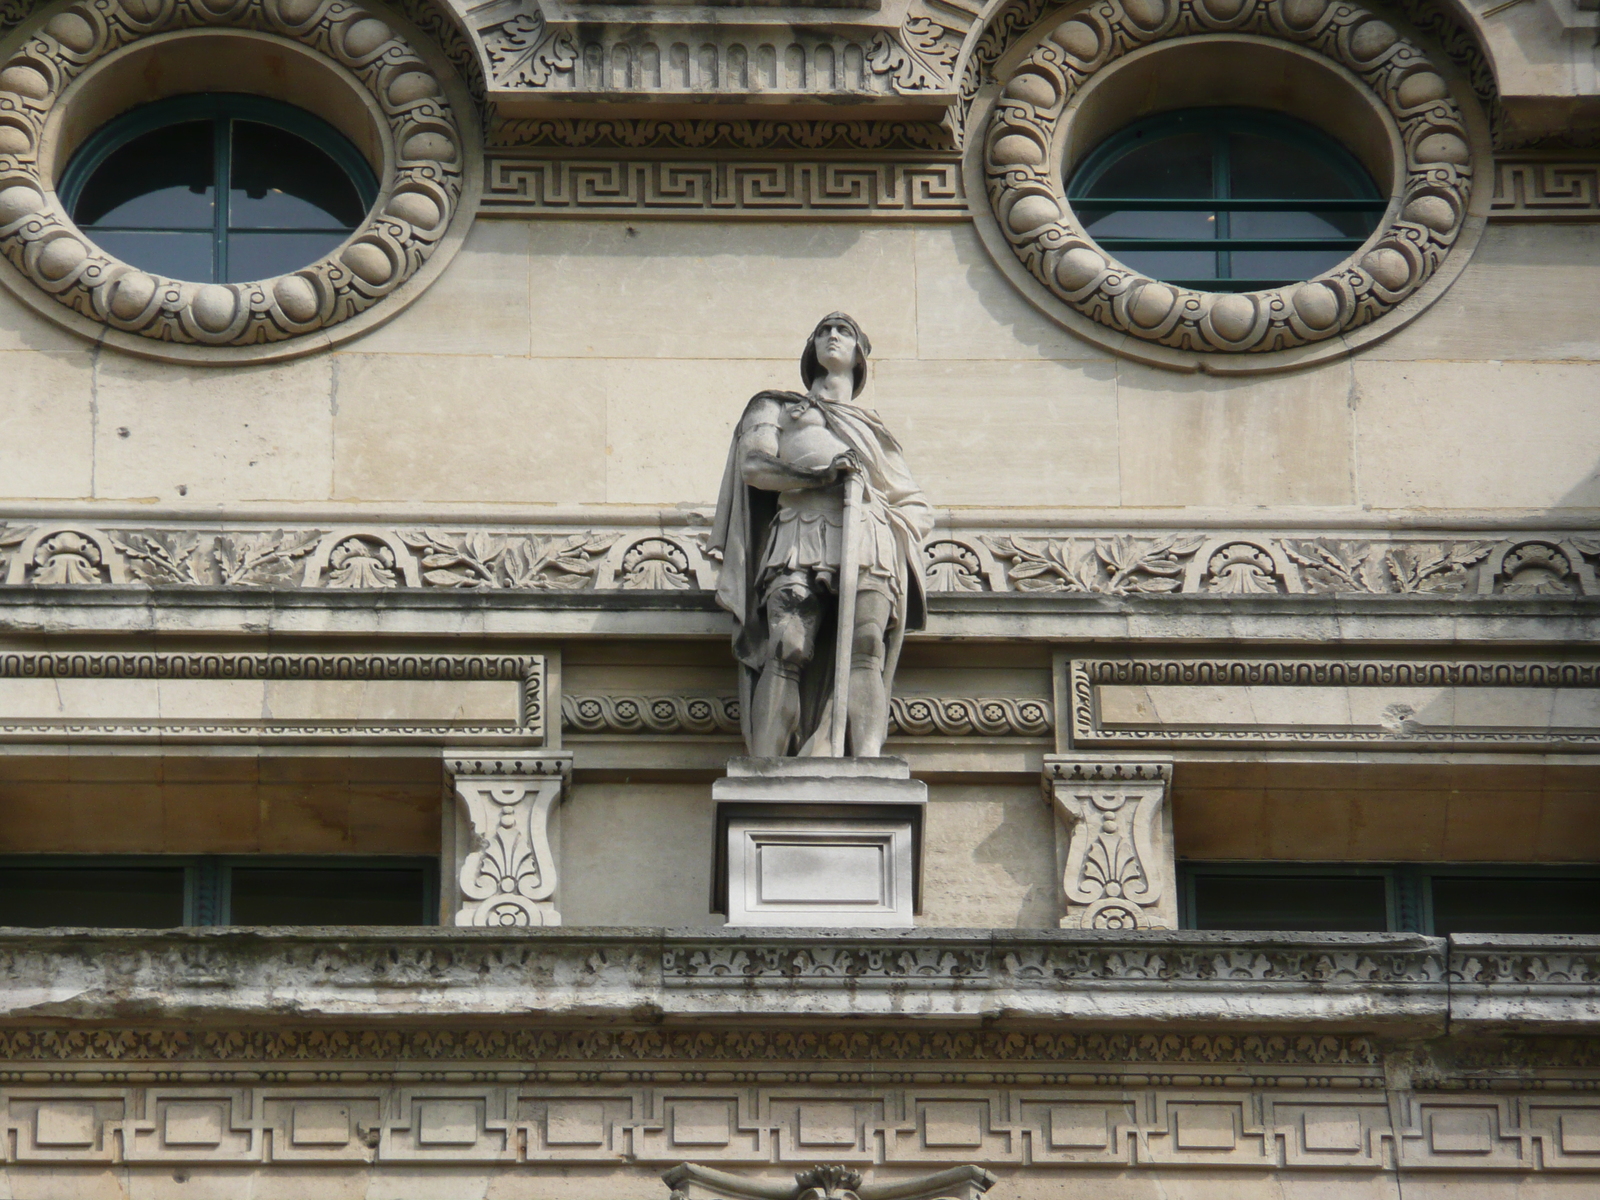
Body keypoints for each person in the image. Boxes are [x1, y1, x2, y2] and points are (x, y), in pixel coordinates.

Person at [709, 313, 934, 758]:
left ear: (860, 354)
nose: (833, 335)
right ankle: (767, 763)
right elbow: (754, 467)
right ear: (811, 347)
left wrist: (887, 520)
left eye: (844, 330)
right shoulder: (775, 405)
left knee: (867, 646)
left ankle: (867, 759)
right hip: (799, 530)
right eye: (824, 330)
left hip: (867, 536)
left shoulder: (875, 431)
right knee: (787, 645)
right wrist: (820, 477)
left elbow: (914, 503)